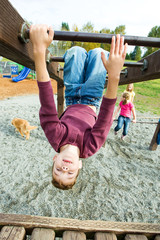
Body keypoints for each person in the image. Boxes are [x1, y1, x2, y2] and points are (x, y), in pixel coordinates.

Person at [30, 24, 128, 190]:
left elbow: (47, 102)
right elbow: (106, 115)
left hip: (72, 95)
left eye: (58, 170)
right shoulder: (90, 147)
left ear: (54, 159)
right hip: (92, 98)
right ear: (79, 167)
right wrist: (114, 75)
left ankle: (79, 54)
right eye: (69, 173)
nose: (65, 169)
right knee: (99, 53)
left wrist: (39, 52)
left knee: (75, 51)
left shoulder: (56, 137)